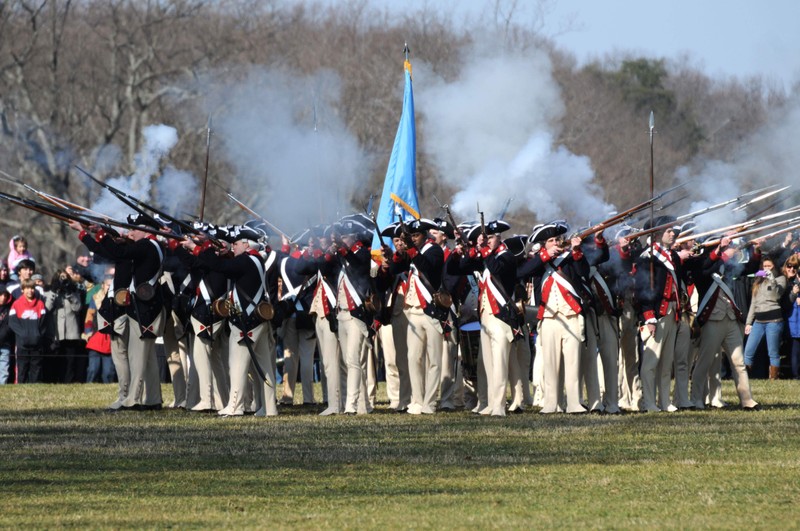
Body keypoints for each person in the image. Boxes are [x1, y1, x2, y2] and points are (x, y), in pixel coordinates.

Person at [690, 236, 759, 410]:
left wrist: (755, 250)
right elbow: (704, 272)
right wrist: (722, 253)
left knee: (739, 361)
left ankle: (747, 399)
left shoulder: (726, 266)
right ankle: (697, 398)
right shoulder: (701, 265)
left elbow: (749, 268)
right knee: (704, 361)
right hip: (712, 319)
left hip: (730, 319)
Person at [390, 218, 446, 415]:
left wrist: (411, 251)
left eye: (416, 235)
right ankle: (417, 400)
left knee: (434, 360)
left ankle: (430, 402)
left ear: (425, 235)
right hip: (413, 310)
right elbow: (395, 269)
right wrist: (400, 251)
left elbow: (428, 268)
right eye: (411, 235)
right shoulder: (414, 252)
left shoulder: (434, 250)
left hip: (431, 309)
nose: (413, 239)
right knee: (413, 358)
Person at [743, 254, 786, 379]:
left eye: (769, 266)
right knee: (748, 351)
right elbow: (753, 303)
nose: (767, 268)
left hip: (774, 320)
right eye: (764, 266)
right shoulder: (758, 282)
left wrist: (771, 279)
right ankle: (745, 378)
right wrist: (748, 322)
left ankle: (773, 378)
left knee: (773, 352)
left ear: (774, 267)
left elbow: (776, 295)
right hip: (758, 321)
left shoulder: (780, 279)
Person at [9, 279, 48, 383]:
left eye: (32, 288)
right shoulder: (16, 304)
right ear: (22, 290)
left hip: (37, 344)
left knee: (36, 369)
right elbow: (12, 323)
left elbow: (43, 324)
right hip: (22, 344)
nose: (30, 291)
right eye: (27, 288)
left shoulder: (40, 304)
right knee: (22, 370)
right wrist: (23, 334)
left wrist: (38, 335)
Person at [84, 276, 115, 383]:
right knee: (93, 369)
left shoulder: (118, 299)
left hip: (112, 339)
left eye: (112, 286)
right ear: (103, 285)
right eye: (108, 285)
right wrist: (88, 332)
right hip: (96, 338)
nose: (109, 287)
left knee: (109, 372)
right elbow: (89, 317)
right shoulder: (95, 298)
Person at [783, 254, 800, 379]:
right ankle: (795, 375)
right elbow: (784, 303)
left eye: (795, 267)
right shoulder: (783, 280)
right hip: (792, 320)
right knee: (794, 350)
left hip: (795, 320)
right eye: (790, 266)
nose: (792, 269)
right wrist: (794, 295)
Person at [0, 284, 14, 384]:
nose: (3, 297)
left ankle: (3, 389)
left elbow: (9, 327)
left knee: (4, 369)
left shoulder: (9, 310)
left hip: (5, 344)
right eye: (1, 295)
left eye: (5, 295)